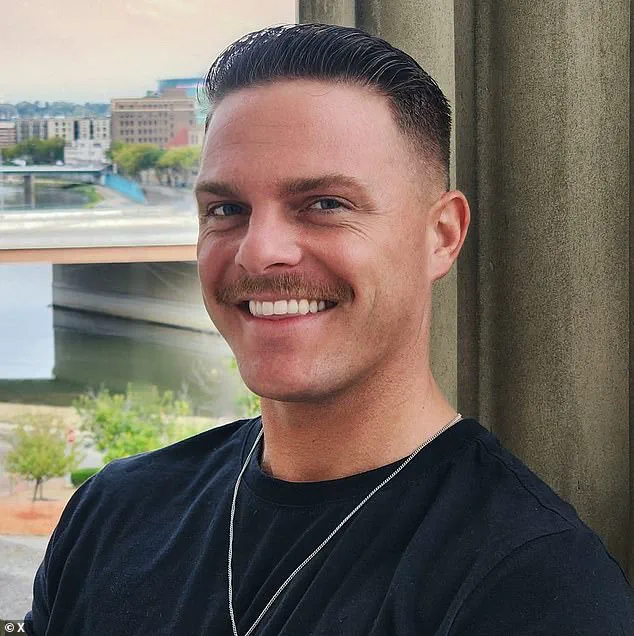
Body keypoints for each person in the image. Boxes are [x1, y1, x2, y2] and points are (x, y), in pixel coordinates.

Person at [25, 24, 633, 636]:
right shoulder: (112, 513)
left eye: (325, 204)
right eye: (227, 209)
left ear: (441, 235)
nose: (259, 251)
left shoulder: (536, 586)